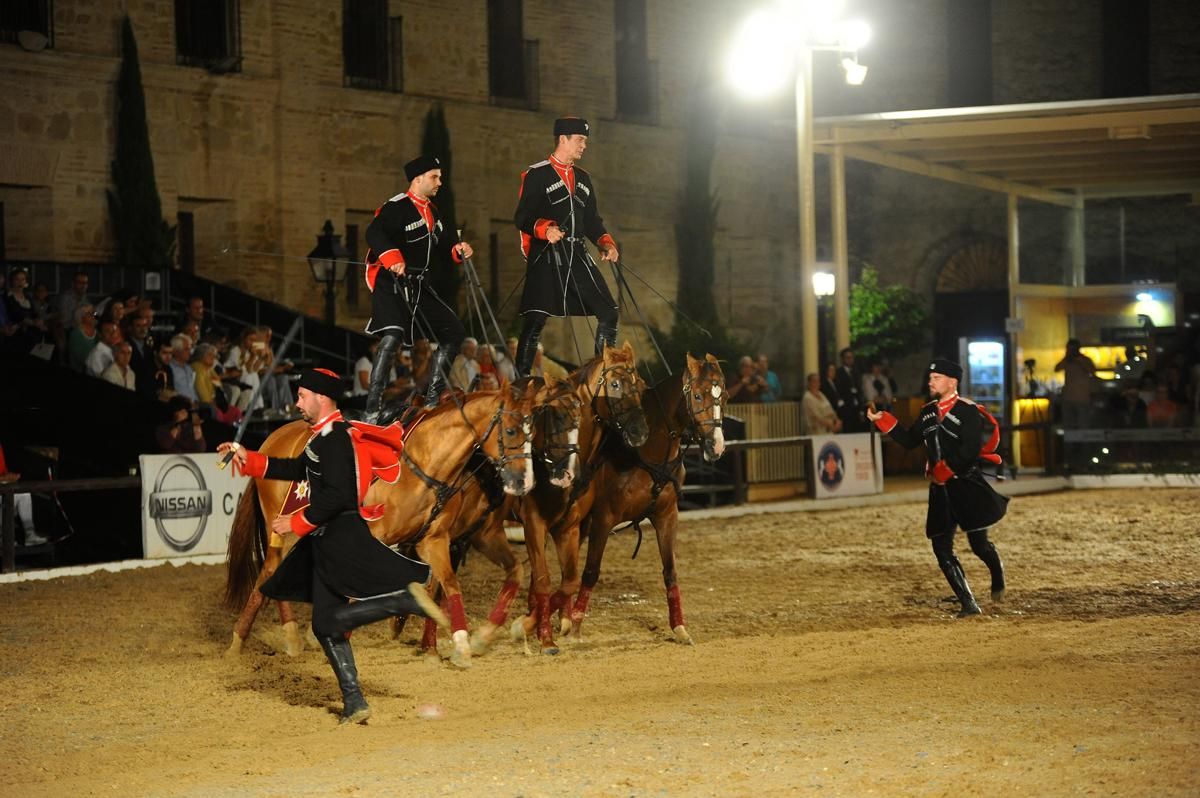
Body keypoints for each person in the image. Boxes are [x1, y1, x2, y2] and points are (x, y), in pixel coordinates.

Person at [217, 368, 449, 725]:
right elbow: (297, 469)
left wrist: (293, 522)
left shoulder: (335, 440)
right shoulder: (323, 437)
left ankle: (401, 601)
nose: (297, 403)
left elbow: (339, 498)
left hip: (340, 537)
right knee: (326, 624)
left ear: (321, 397)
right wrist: (247, 457)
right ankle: (354, 700)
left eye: (301, 396)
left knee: (327, 622)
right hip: (328, 539)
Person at [867, 358, 1008, 618]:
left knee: (979, 545)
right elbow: (910, 440)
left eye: (936, 378)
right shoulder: (928, 411)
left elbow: (970, 450)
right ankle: (968, 603)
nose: (930, 381)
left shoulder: (968, 411)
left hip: (967, 487)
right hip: (940, 491)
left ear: (952, 382)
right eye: (930, 378)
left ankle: (997, 573)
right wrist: (883, 420)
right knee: (941, 548)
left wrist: (949, 468)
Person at [362, 155, 474, 420]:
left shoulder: (433, 212)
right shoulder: (396, 206)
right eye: (435, 176)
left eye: (440, 176)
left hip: (420, 285)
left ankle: (432, 400)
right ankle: (372, 408)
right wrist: (392, 257)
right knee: (393, 335)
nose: (440, 182)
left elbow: (446, 241)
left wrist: (459, 249)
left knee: (454, 332)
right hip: (391, 282)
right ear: (418, 178)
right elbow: (374, 233)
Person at [513, 117, 620, 377]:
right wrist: (544, 229)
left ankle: (599, 376)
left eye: (585, 141)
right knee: (536, 318)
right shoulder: (537, 174)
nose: (584, 146)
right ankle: (521, 381)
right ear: (563, 139)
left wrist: (605, 243)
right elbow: (522, 217)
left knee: (609, 313)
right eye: (580, 140)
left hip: (578, 255)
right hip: (546, 255)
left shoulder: (584, 178)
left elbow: (593, 220)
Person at [0, 443, 47, 546]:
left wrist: (9, 477)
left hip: (3, 488)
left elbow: (3, 473)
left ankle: (30, 535)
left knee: (24, 494)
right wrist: (4, 479)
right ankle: (3, 539)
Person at [834, 347, 864, 432]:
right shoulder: (839, 373)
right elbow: (839, 392)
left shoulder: (855, 372)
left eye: (851, 357)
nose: (850, 360)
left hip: (856, 408)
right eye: (847, 358)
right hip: (846, 409)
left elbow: (859, 390)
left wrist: (861, 409)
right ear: (843, 359)